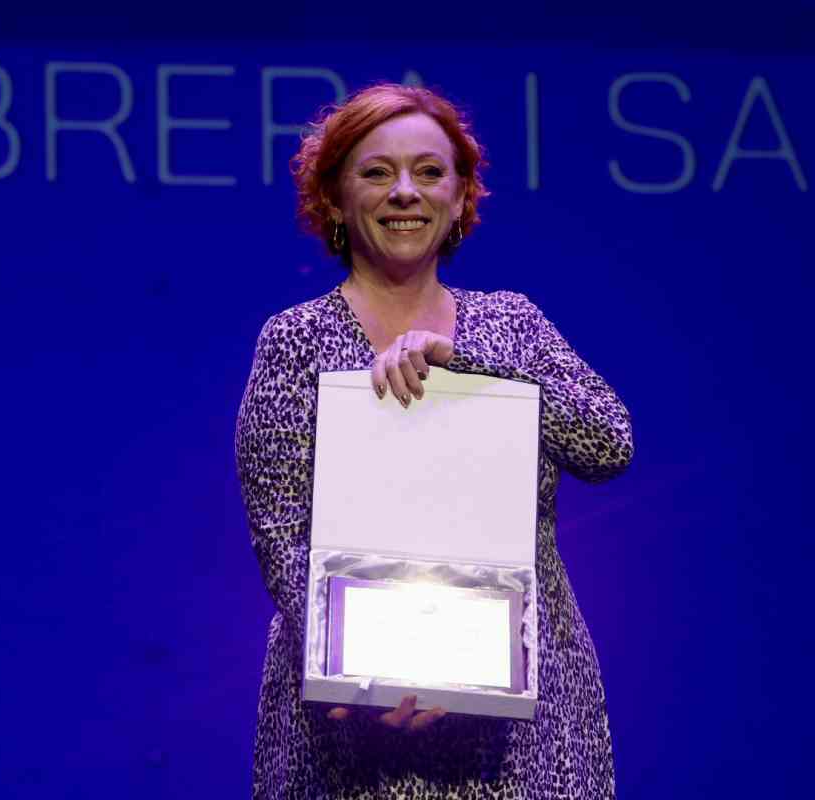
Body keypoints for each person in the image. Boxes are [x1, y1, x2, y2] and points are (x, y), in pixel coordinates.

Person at [235, 83, 634, 799]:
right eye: (376, 172)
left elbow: (609, 445)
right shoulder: (296, 341)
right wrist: (366, 672)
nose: (404, 193)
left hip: (521, 716)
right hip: (351, 716)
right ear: (334, 199)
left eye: (428, 171)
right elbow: (283, 529)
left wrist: (470, 368)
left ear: (459, 197)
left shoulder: (512, 325)